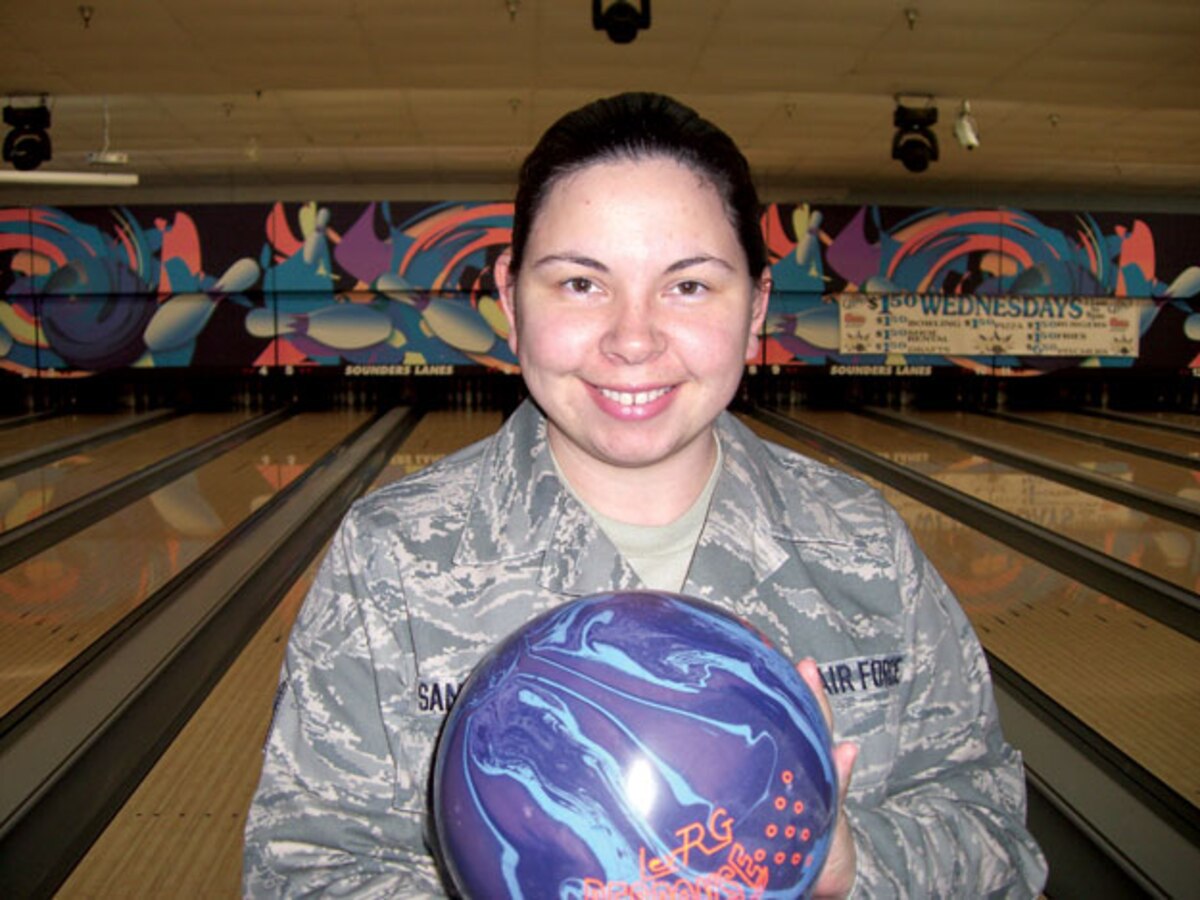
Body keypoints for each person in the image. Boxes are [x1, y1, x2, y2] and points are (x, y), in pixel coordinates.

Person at [243, 92, 1048, 898]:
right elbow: (303, 871)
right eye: (581, 284)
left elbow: (993, 833)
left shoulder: (863, 546)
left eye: (689, 287)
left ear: (757, 308)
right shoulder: (392, 557)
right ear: (512, 298)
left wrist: (848, 865)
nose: (634, 339)